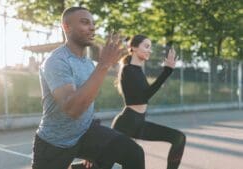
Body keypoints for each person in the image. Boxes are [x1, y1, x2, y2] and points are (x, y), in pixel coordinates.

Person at [32, 7, 145, 169]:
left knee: (134, 153)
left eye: (93, 23)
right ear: (66, 27)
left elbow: (88, 102)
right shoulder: (56, 61)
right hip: (55, 143)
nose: (92, 27)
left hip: (85, 134)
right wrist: (104, 65)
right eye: (85, 22)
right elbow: (73, 109)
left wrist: (96, 149)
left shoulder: (87, 63)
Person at [111, 34, 186, 169]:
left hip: (139, 123)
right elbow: (144, 96)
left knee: (179, 138)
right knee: (103, 164)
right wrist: (167, 71)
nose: (149, 50)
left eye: (150, 47)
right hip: (126, 124)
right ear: (133, 47)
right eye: (146, 46)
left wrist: (167, 71)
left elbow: (145, 94)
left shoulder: (138, 70)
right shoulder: (127, 70)